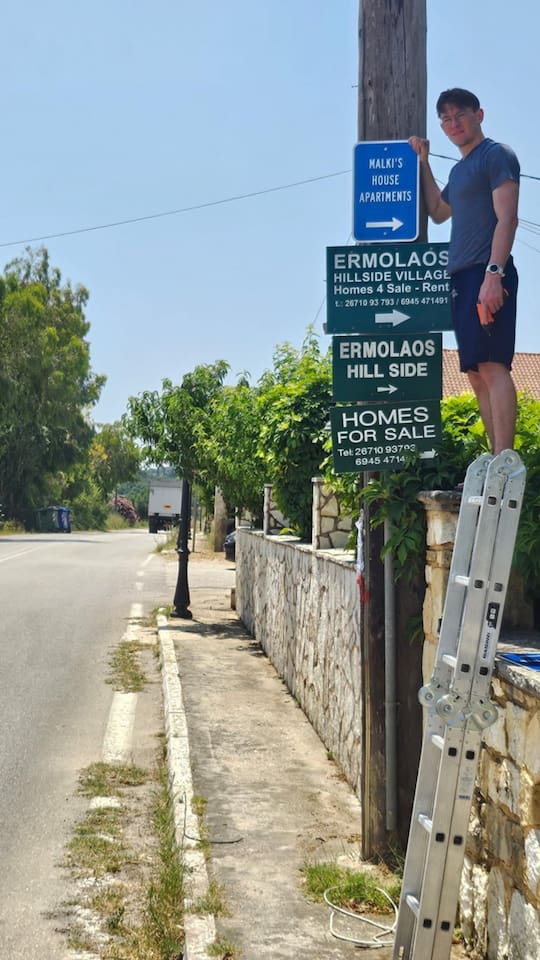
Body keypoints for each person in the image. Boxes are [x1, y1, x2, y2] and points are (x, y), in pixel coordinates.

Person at [409, 88, 520, 454]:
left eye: (460, 115)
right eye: (446, 119)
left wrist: (493, 275)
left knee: (492, 367)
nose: (453, 124)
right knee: (475, 375)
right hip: (460, 279)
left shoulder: (496, 155)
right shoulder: (458, 172)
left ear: (479, 115)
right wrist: (423, 163)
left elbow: (508, 219)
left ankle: (505, 459)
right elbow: (438, 213)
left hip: (486, 274)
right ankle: (494, 459)